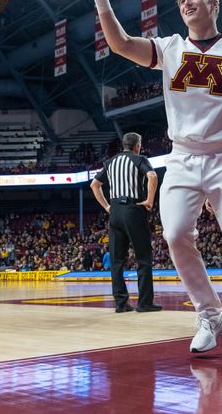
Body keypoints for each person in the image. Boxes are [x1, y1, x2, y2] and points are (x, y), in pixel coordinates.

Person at [80, 0, 222, 357]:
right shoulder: (169, 47)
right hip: (182, 157)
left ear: (213, 6)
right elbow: (118, 43)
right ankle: (210, 315)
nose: (186, 3)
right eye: (182, 0)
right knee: (175, 234)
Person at [91, 132, 161, 313]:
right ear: (137, 145)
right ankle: (145, 303)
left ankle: (121, 303)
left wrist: (107, 207)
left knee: (116, 260)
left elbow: (94, 185)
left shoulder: (110, 162)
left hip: (114, 212)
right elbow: (152, 176)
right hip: (133, 209)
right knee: (143, 258)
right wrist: (150, 200)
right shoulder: (139, 159)